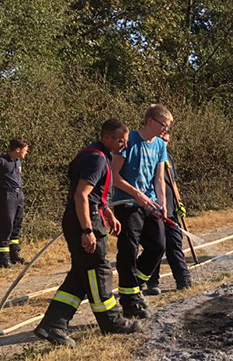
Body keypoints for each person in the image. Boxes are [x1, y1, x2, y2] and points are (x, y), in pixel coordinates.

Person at [33, 119, 140, 347]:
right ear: (107, 137)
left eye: (126, 141)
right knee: (98, 270)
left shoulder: (98, 155)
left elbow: (94, 197)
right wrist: (87, 230)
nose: (124, 145)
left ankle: (53, 325)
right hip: (84, 221)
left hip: (88, 217)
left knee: (81, 275)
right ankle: (111, 322)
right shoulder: (96, 159)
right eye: (120, 140)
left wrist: (108, 213)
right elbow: (81, 195)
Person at [112, 104, 171, 320]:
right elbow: (114, 176)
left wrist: (161, 204)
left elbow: (159, 179)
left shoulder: (160, 146)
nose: (166, 131)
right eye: (164, 125)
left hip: (150, 205)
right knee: (129, 249)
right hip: (127, 204)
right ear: (150, 122)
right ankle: (129, 301)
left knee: (158, 246)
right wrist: (138, 195)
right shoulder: (129, 142)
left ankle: (133, 287)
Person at [144, 130, 192, 295]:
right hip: (154, 210)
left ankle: (183, 280)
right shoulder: (149, 157)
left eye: (166, 139)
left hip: (171, 209)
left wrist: (179, 202)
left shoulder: (168, 158)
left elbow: (173, 183)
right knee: (157, 245)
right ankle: (152, 281)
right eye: (161, 138)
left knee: (175, 243)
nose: (164, 141)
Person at [0, 138, 29, 268]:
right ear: (17, 150)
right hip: (8, 195)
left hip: (19, 194)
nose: (26, 152)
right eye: (25, 150)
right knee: (7, 226)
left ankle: (14, 254)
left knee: (17, 225)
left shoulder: (18, 161)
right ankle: (3, 258)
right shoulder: (2, 161)